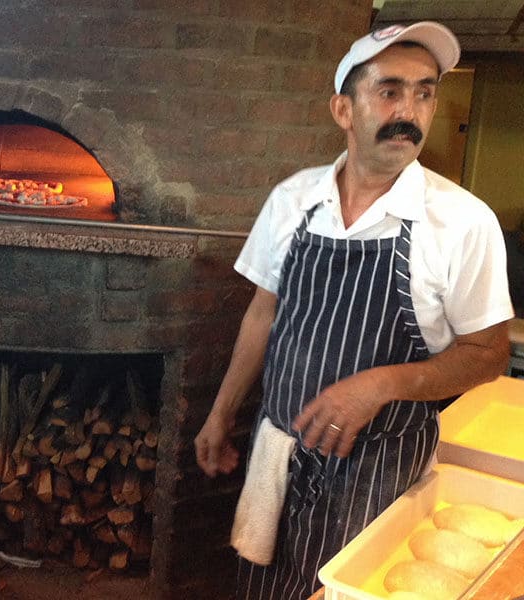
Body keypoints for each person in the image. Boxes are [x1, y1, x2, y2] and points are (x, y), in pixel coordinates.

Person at [194, 21, 514, 600]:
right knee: (262, 587)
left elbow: (488, 354)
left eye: (424, 93)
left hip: (379, 473)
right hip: (280, 454)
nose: (410, 110)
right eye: (389, 90)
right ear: (344, 110)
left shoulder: (463, 222)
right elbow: (262, 316)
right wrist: (221, 414)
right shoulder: (293, 199)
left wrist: (380, 384)